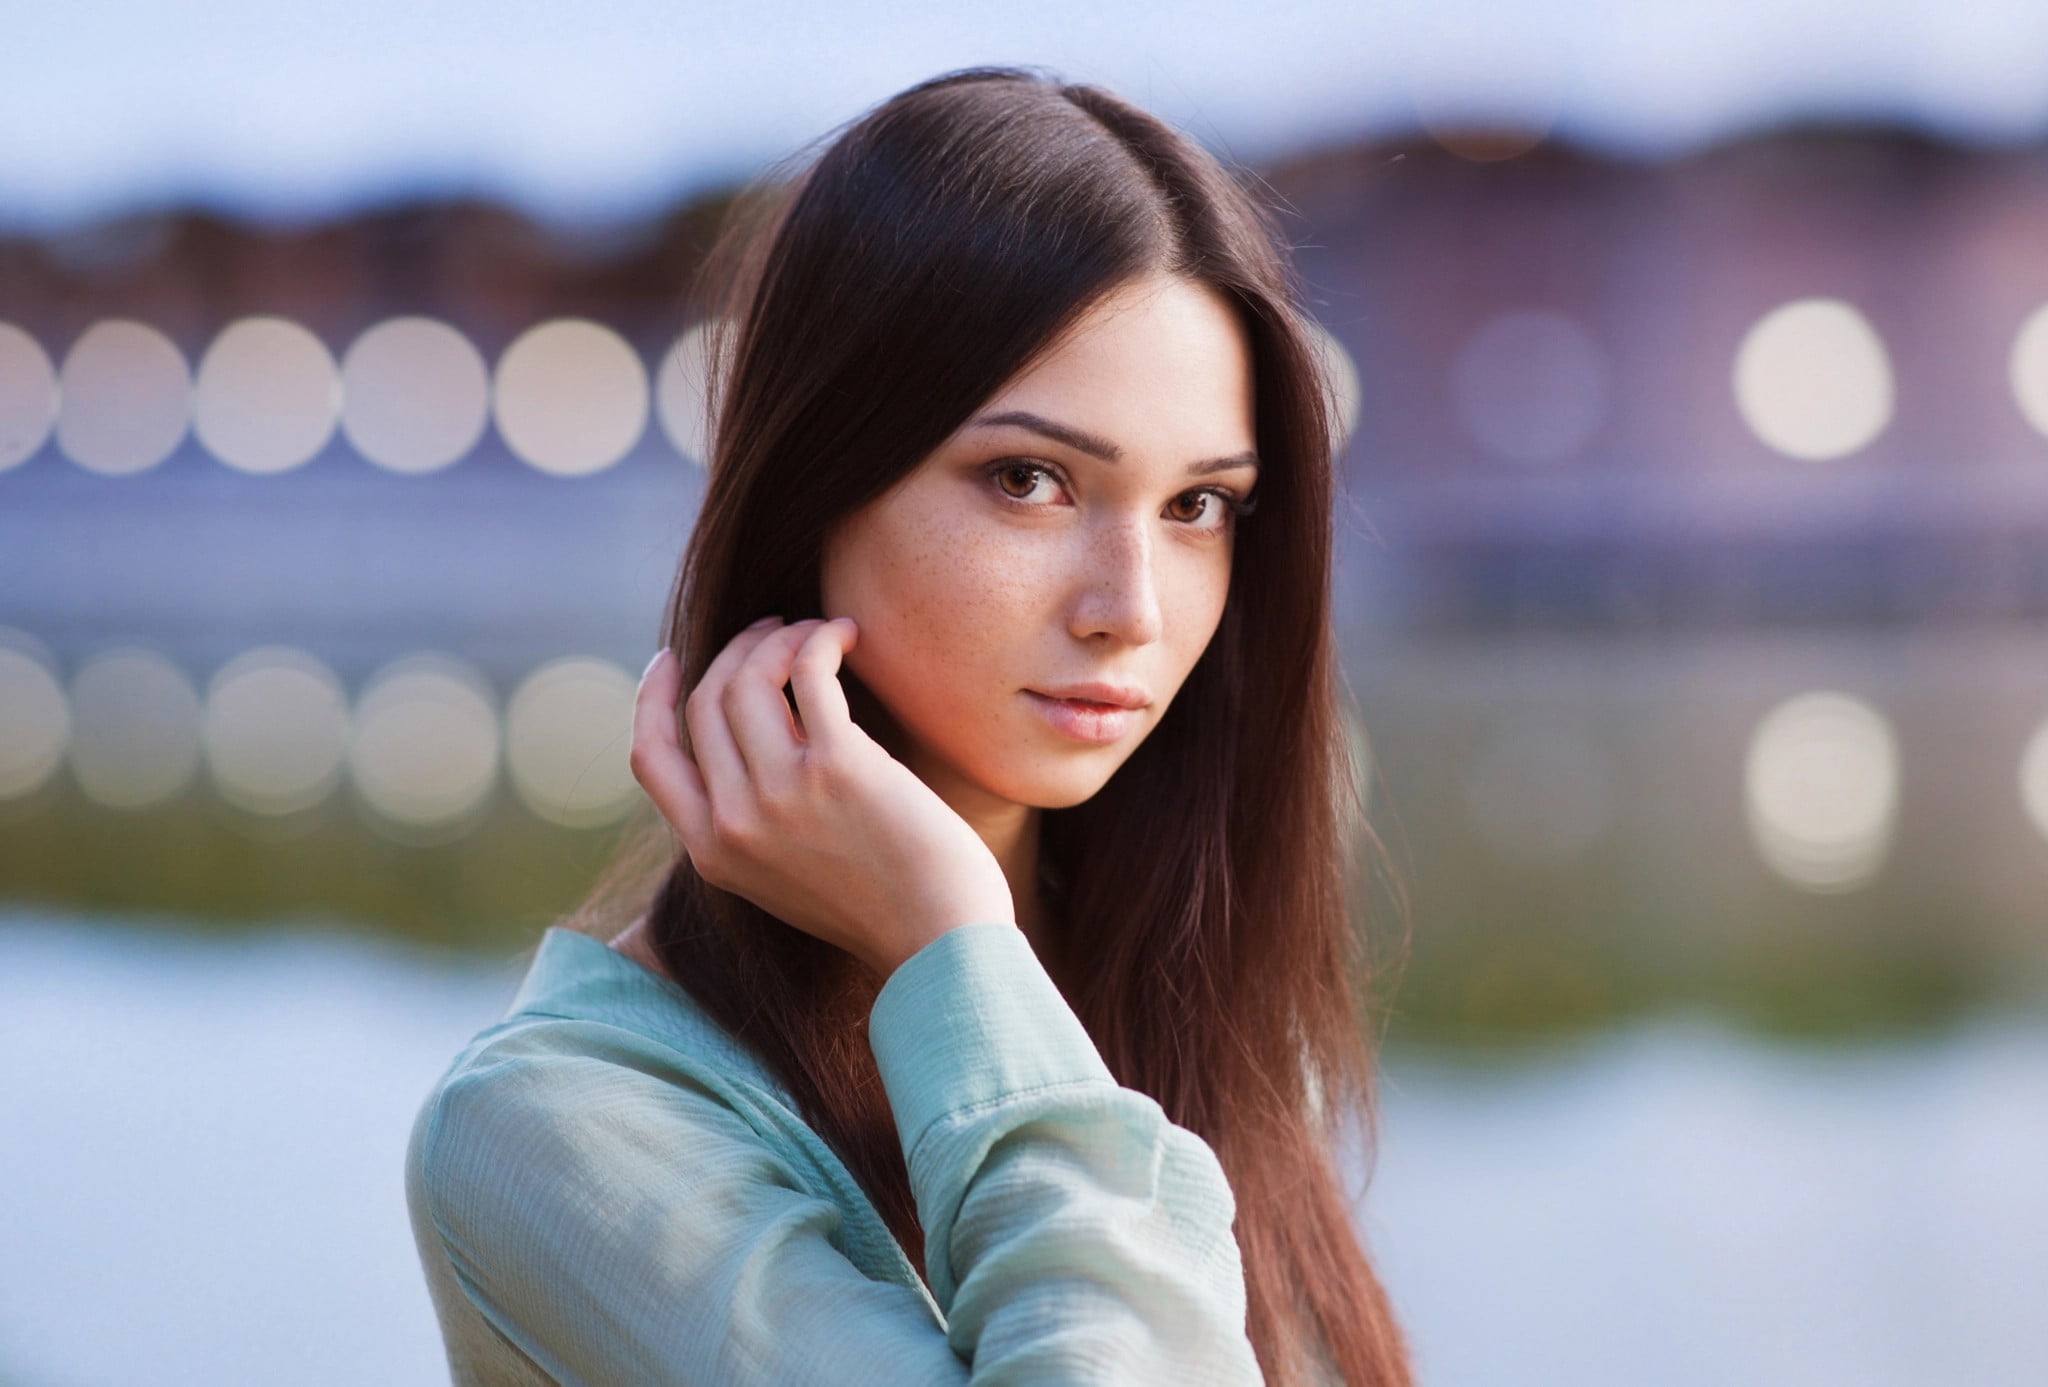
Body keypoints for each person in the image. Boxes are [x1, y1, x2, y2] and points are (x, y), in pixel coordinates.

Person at [405, 64, 1412, 1386]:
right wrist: (950, 948)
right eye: (1032, 480)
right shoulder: (555, 1133)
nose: (1133, 610)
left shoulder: (1180, 988)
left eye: (1198, 507)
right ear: (818, 483)